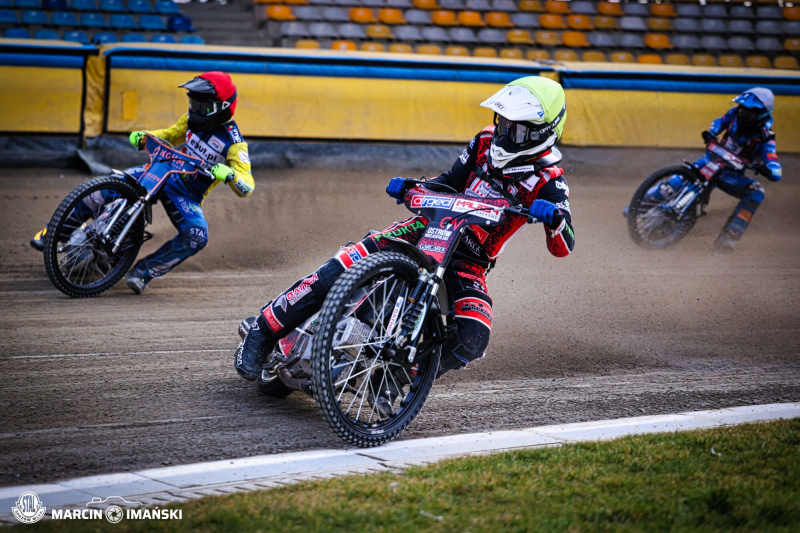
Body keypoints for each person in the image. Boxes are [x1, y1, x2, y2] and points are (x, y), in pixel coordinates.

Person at [233, 76, 575, 413]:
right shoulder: (485, 141)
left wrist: (555, 219)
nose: (502, 132)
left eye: (514, 129)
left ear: (542, 132)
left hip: (469, 260)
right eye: (502, 122)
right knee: (350, 261)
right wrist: (414, 187)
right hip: (426, 228)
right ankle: (263, 331)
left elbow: (564, 245)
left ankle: (396, 378)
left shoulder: (550, 182)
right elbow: (450, 182)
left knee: (474, 335)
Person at [30, 71, 255, 293]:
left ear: (220, 109)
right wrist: (145, 135)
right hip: (165, 169)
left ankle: (143, 272)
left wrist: (230, 174)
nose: (194, 110)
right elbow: (169, 134)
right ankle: (52, 233)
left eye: (201, 106)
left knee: (197, 235)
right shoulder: (189, 121)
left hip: (187, 195)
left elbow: (247, 186)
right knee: (109, 185)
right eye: (193, 103)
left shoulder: (235, 144)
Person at [630, 87, 782, 250]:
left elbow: (775, 168)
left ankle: (729, 237)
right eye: (742, 109)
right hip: (709, 161)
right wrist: (712, 133)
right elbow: (719, 122)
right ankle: (637, 206)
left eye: (750, 112)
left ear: (761, 115)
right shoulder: (734, 113)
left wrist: (768, 170)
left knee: (756, 192)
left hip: (730, 175)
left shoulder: (766, 138)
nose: (744, 114)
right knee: (676, 181)